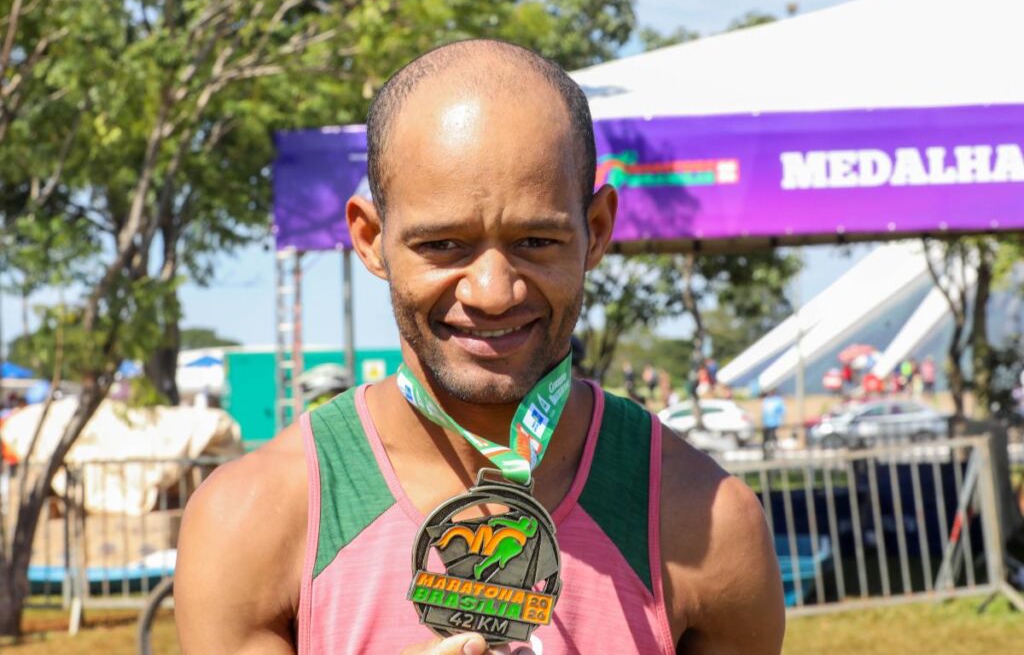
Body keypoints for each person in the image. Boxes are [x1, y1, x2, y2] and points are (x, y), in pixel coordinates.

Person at [175, 40, 784, 655]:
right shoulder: (255, 520)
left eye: (536, 241)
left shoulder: (702, 523)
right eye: (443, 245)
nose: (494, 293)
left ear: (596, 232)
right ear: (370, 239)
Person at [761, 390, 786, 458]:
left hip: (774, 423)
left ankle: (777, 453)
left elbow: (782, 411)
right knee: (766, 439)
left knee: (773, 438)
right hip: (767, 423)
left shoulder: (778, 401)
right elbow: (764, 412)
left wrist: (781, 421)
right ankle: (766, 454)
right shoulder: (766, 400)